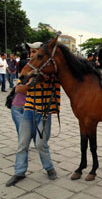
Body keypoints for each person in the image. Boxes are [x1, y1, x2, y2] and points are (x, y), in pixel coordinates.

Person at [6, 42, 60, 187]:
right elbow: (18, 89)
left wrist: (43, 77)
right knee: (22, 143)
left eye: (36, 52)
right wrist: (31, 82)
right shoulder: (29, 68)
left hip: (44, 112)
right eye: (31, 52)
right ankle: (19, 172)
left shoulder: (50, 70)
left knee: (41, 143)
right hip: (29, 110)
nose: (33, 54)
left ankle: (49, 168)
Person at [11, 51, 29, 136]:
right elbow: (18, 89)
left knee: (23, 130)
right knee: (22, 130)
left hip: (24, 106)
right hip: (18, 106)